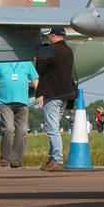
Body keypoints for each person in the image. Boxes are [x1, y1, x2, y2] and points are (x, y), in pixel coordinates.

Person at [0, 59, 38, 168]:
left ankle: (16, 160)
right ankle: (5, 158)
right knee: (8, 129)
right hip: (5, 103)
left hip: (22, 102)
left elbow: (35, 79)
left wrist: (40, 94)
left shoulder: (26, 62)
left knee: (22, 131)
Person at [36, 28, 77, 172]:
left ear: (53, 35)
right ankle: (53, 158)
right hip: (65, 95)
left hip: (52, 94)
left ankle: (57, 159)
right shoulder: (68, 50)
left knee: (52, 128)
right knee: (55, 126)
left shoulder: (51, 50)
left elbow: (40, 69)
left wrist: (41, 54)